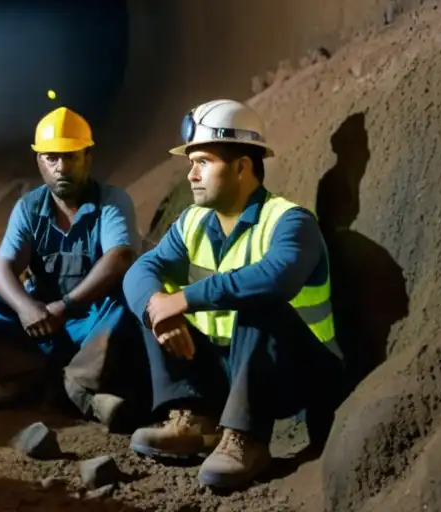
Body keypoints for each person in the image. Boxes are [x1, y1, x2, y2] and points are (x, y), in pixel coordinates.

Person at [123, 99, 343, 491]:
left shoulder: (290, 222)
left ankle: (248, 438)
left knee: (257, 300)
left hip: (297, 374)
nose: (191, 175)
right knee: (154, 301)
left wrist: (186, 298)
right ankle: (196, 418)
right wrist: (158, 307)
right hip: (230, 370)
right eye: (191, 163)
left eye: (203, 161)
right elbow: (142, 270)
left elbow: (276, 278)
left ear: (242, 166)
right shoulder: (193, 222)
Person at [0, 107, 141, 426]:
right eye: (51, 158)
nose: (62, 167)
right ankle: (31, 374)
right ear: (39, 161)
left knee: (128, 298)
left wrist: (67, 306)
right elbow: (2, 267)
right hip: (42, 323)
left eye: (71, 157)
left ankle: (75, 382)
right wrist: (26, 307)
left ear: (87, 157)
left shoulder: (111, 201)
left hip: (89, 322)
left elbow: (119, 257)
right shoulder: (30, 207)